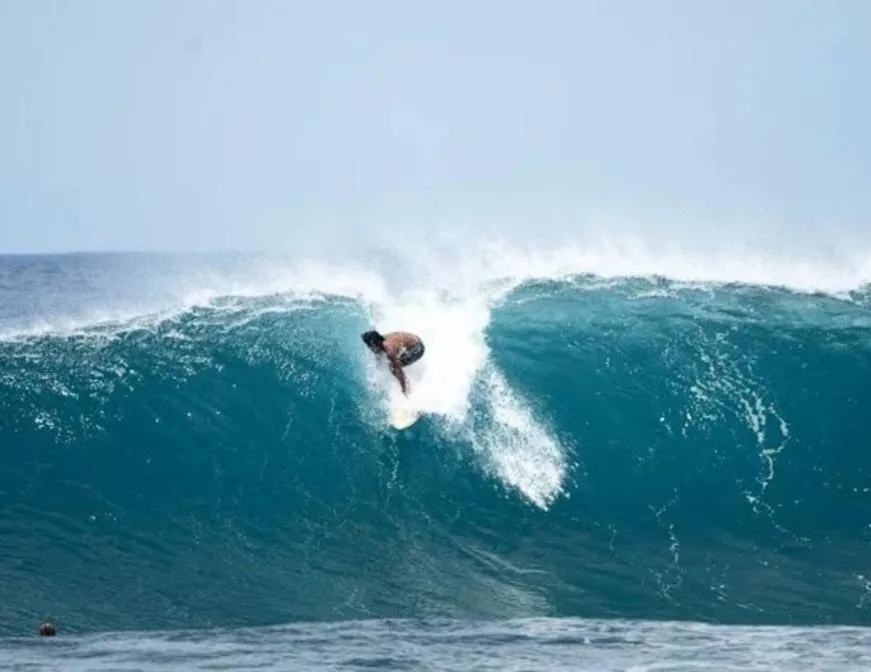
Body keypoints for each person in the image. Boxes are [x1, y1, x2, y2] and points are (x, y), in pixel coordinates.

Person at [361, 330, 425, 395]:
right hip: (411, 342)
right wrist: (376, 381)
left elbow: (398, 370)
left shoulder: (389, 348)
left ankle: (407, 389)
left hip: (417, 347)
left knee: (393, 367)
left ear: (377, 343)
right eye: (368, 344)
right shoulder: (378, 341)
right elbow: (379, 361)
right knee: (391, 362)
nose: (370, 347)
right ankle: (405, 385)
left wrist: (404, 389)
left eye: (371, 345)